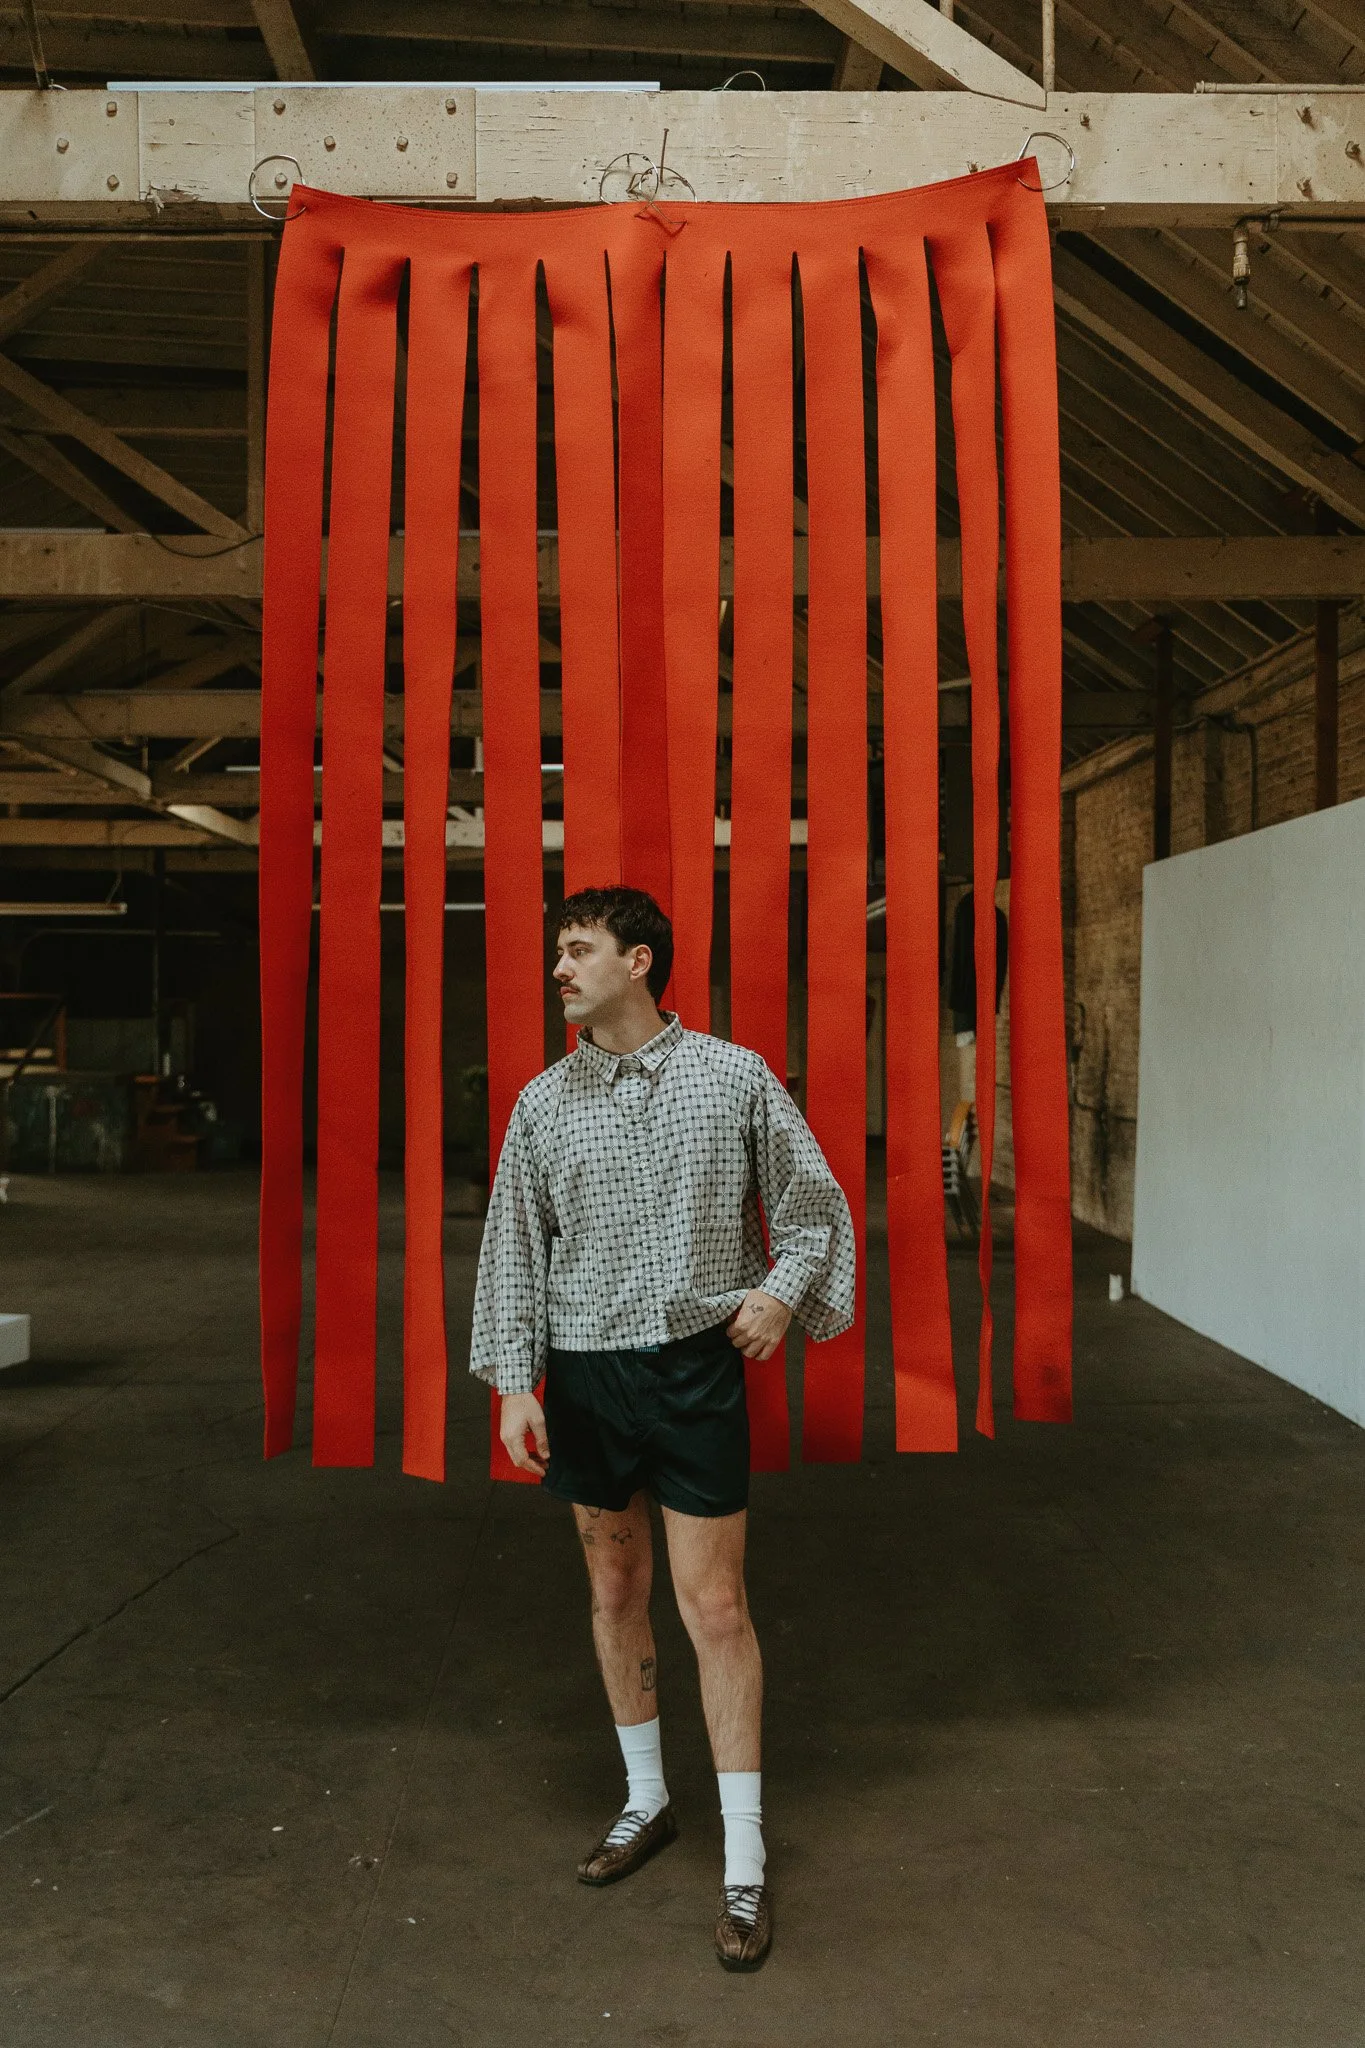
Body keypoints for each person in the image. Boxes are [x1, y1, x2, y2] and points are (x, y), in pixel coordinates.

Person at [470, 884, 855, 1972]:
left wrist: (779, 1291)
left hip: (694, 1373)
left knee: (717, 1605)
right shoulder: (542, 1103)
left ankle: (744, 1858)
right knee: (613, 1590)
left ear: (640, 961)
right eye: (557, 951)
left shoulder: (733, 1076)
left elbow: (815, 1203)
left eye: (578, 949)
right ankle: (648, 1802)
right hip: (587, 1375)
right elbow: (514, 1247)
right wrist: (515, 1381)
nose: (560, 968)